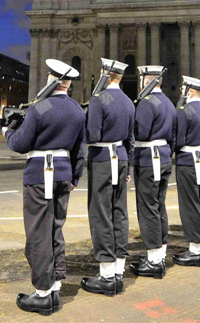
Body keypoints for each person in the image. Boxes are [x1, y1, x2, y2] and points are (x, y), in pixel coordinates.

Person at [3, 59, 86, 316]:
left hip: (40, 173)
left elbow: (20, 144)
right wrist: (74, 177)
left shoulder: (40, 107)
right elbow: (80, 149)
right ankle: (56, 281)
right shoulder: (76, 109)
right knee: (55, 229)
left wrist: (9, 130)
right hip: (63, 173)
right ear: (68, 83)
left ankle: (43, 293)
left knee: (38, 232)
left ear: (52, 79)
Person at [82, 58, 134, 297]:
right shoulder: (129, 102)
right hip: (121, 157)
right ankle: (119, 269)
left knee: (101, 213)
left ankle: (106, 274)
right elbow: (130, 140)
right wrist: (129, 168)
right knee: (119, 212)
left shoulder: (98, 99)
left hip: (102, 157)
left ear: (104, 73)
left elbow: (92, 135)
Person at [130, 65, 175, 280]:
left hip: (148, 158)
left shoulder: (147, 102)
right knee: (159, 204)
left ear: (146, 81)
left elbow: (141, 132)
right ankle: (160, 253)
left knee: (147, 206)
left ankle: (154, 260)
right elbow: (174, 135)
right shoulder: (168, 102)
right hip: (164, 156)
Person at [172, 76, 200, 267]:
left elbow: (178, 140)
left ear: (188, 92)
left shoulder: (185, 111)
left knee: (190, 204)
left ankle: (195, 249)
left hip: (188, 160)